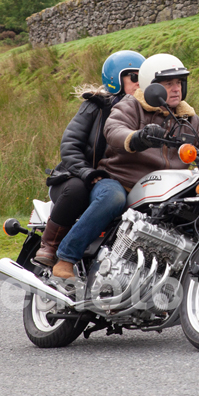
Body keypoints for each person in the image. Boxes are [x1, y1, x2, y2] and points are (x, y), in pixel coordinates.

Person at [51, 53, 199, 279]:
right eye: (167, 83)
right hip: (120, 182)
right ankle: (66, 258)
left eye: (179, 82)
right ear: (152, 87)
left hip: (165, 190)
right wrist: (137, 137)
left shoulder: (188, 119)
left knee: (198, 206)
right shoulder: (131, 105)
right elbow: (114, 130)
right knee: (112, 198)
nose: (175, 89)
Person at [33, 49, 145, 267]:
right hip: (77, 175)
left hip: (116, 180)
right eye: (134, 76)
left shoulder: (146, 110)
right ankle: (51, 245)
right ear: (115, 78)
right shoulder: (96, 106)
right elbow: (70, 145)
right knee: (77, 190)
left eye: (144, 76)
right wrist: (88, 173)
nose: (139, 82)